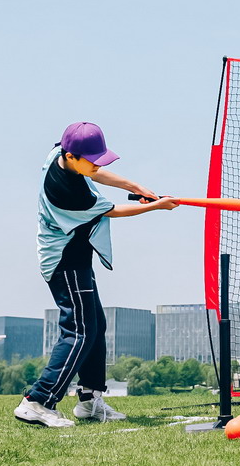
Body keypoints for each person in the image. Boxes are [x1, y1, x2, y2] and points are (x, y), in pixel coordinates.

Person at [14, 122, 179, 427]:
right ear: (72, 156)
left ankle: (90, 400)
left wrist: (135, 187)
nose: (97, 165)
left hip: (76, 256)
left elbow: (96, 173)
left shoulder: (59, 154)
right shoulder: (67, 190)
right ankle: (37, 401)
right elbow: (111, 210)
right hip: (64, 261)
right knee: (78, 332)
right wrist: (156, 207)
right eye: (91, 160)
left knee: (95, 326)